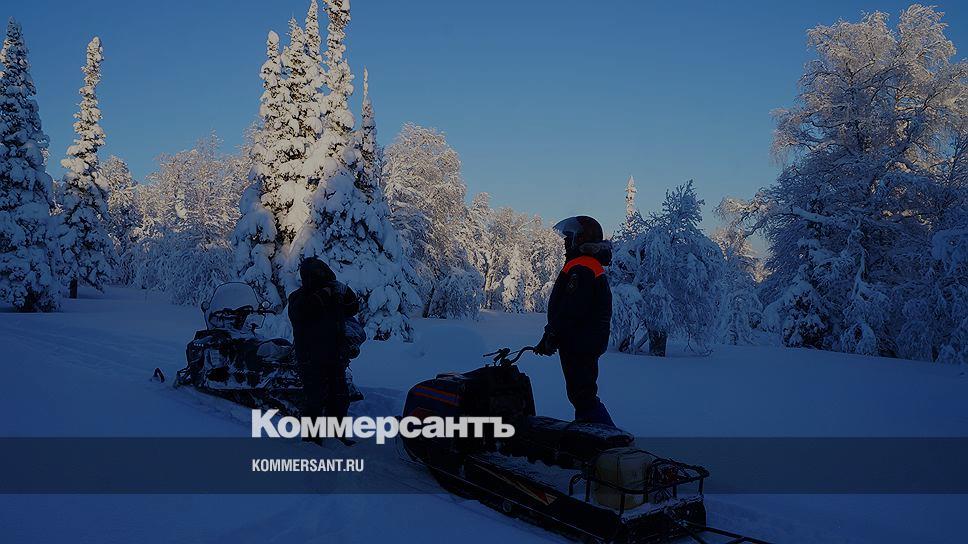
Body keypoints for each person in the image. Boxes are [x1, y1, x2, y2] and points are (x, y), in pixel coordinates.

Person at [534, 216, 615, 427]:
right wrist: (553, 333)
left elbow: (572, 307)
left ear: (579, 239)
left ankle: (605, 435)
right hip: (582, 338)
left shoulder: (582, 266)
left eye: (568, 236)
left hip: (580, 340)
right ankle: (588, 431)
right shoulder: (586, 264)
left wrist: (552, 334)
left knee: (583, 394)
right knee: (581, 392)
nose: (564, 241)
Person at [288, 257, 360, 443]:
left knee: (340, 397)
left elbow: (352, 308)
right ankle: (312, 439)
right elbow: (303, 311)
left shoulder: (331, 298)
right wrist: (324, 294)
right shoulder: (298, 298)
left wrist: (345, 292)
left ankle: (338, 433)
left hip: (334, 354)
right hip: (310, 357)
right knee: (315, 399)